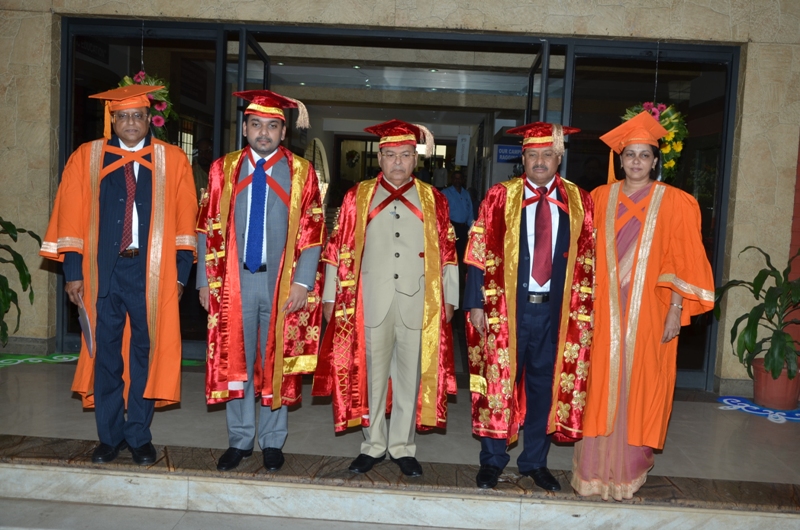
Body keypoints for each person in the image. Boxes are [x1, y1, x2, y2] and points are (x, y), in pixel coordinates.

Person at [40, 84, 198, 465]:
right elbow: (70, 215)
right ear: (112, 120)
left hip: (152, 273)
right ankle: (109, 437)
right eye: (122, 116)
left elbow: (185, 220)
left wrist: (179, 276)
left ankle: (139, 435)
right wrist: (73, 272)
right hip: (101, 274)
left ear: (149, 120)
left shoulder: (172, 160)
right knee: (106, 355)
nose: (130, 122)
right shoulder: (88, 157)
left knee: (145, 354)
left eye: (137, 116)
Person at [571, 112, 714, 501]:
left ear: (655, 161)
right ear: (620, 159)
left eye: (644, 155)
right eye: (630, 154)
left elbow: (683, 259)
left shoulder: (677, 202)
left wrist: (675, 309)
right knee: (600, 381)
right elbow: (582, 254)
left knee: (642, 383)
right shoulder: (600, 198)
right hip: (603, 308)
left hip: (650, 308)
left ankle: (628, 471)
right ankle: (593, 472)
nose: (636, 161)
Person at [313, 119, 459, 477]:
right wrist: (330, 296)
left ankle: (402, 447)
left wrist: (450, 297)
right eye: (391, 155)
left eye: (405, 155)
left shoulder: (433, 199)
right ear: (379, 158)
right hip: (369, 301)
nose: (398, 162)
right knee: (372, 377)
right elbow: (336, 248)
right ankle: (373, 444)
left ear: (415, 159)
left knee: (409, 379)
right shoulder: (357, 196)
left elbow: (448, 251)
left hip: (418, 301)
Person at [196, 90, 325, 472]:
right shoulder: (223, 169)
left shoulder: (301, 172)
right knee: (235, 358)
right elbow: (205, 226)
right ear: (245, 128)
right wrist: (204, 280)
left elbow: (313, 229)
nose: (263, 133)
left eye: (271, 126)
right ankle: (239, 440)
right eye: (256, 125)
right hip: (233, 280)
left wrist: (303, 282)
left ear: (283, 132)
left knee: (275, 361)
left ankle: (272, 440)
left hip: (281, 282)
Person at [463, 122, 595, 490]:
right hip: (505, 309)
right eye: (533, 154)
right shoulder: (500, 196)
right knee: (497, 384)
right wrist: (475, 303)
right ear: (522, 158)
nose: (540, 161)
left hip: (556, 312)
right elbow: (477, 251)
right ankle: (492, 461)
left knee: (544, 388)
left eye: (547, 154)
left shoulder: (579, 200)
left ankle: (535, 461)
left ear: (559, 158)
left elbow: (591, 257)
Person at [441, 170, 474, 265]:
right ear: (452, 180)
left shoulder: (466, 194)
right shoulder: (445, 193)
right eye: (455, 178)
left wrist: (471, 227)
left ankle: (460, 272)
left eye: (459, 178)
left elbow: (470, 211)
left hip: (464, 228)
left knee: (462, 253)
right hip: (452, 227)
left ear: (463, 180)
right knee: (451, 254)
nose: (457, 180)